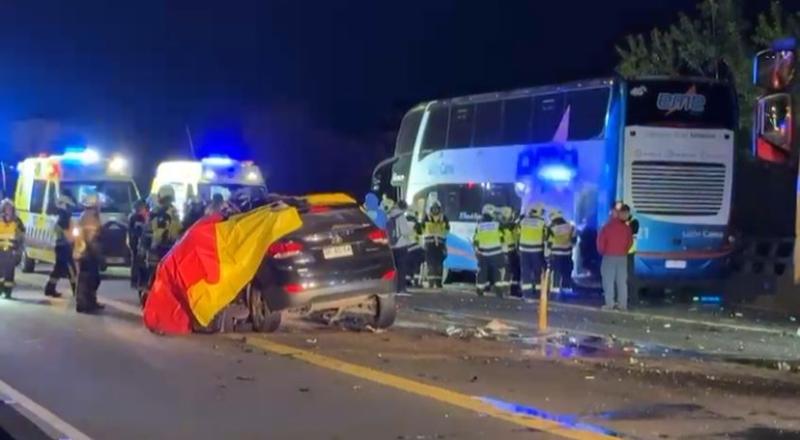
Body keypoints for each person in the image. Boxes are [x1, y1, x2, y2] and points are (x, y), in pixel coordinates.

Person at [140, 186, 182, 304]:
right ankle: (152, 302)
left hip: (160, 251)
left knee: (155, 278)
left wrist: (143, 248)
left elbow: (147, 233)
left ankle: (153, 301)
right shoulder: (170, 213)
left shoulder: (158, 213)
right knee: (157, 278)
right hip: (165, 251)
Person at [597, 206, 633, 311]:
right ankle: (622, 304)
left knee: (608, 281)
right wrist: (624, 251)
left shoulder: (606, 227)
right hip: (622, 257)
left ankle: (610, 304)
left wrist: (603, 252)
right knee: (621, 281)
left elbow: (600, 244)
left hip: (609, 256)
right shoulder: (626, 228)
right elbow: (630, 242)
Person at [73, 195, 104, 313]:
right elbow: (93, 240)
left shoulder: (83, 217)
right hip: (88, 254)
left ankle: (86, 302)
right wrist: (99, 257)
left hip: (81, 253)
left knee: (84, 279)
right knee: (90, 279)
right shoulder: (92, 219)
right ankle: (85, 303)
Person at [44, 196, 78, 297]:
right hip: (65, 246)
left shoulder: (59, 215)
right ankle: (76, 290)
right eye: (68, 206)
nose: (70, 208)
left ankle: (49, 288)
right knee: (71, 269)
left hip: (60, 245)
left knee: (58, 269)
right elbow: (66, 231)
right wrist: (72, 240)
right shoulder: (64, 216)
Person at [473, 204, 506, 298]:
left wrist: (477, 251)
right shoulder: (497, 225)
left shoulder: (479, 226)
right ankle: (499, 292)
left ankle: (480, 290)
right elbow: (502, 238)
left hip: (483, 253)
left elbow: (475, 240)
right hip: (496, 253)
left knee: (482, 271)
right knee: (497, 272)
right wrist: (504, 251)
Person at [517, 204, 547, 299]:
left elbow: (517, 233)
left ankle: (527, 294)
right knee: (537, 271)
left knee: (525, 271)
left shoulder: (523, 221)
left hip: (523, 250)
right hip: (536, 250)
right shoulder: (542, 222)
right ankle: (538, 293)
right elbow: (546, 236)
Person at [386, 200, 415, 293]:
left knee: (394, 268)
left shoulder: (389, 215)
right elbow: (405, 231)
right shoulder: (401, 216)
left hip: (391, 245)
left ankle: (393, 288)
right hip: (401, 245)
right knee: (402, 268)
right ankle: (401, 288)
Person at [547, 209, 576, 294]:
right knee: (566, 271)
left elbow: (549, 242)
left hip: (556, 253)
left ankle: (555, 289)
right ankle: (567, 288)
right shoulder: (570, 226)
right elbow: (574, 240)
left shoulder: (551, 228)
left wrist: (548, 254)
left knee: (556, 271)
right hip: (567, 253)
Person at [421, 201, 449, 289]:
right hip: (435, 244)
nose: (435, 210)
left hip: (434, 244)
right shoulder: (443, 217)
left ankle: (435, 282)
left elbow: (421, 229)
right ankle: (433, 282)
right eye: (434, 208)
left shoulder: (427, 217)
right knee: (433, 264)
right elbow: (447, 230)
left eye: (436, 208)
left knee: (436, 264)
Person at [0, 199, 24, 299]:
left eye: (10, 208)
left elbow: (21, 235)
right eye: (6, 208)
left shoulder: (17, 222)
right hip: (0, 251)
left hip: (11, 251)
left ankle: (8, 292)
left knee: (9, 273)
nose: (8, 210)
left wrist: (18, 250)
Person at [128, 199, 149, 290]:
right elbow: (131, 231)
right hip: (136, 243)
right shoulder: (134, 218)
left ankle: (142, 281)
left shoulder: (148, 216)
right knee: (136, 262)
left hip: (144, 243)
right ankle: (135, 281)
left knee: (142, 263)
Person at [499, 206, 520, 297]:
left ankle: (505, 290)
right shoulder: (513, 226)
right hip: (510, 251)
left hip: (503, 250)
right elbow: (517, 237)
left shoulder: (499, 226)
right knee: (512, 271)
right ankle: (511, 290)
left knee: (506, 271)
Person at [405, 205, 424, 288]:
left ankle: (407, 282)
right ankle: (416, 281)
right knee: (417, 266)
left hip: (407, 249)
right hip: (416, 248)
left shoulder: (402, 224)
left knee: (408, 266)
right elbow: (420, 233)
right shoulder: (416, 224)